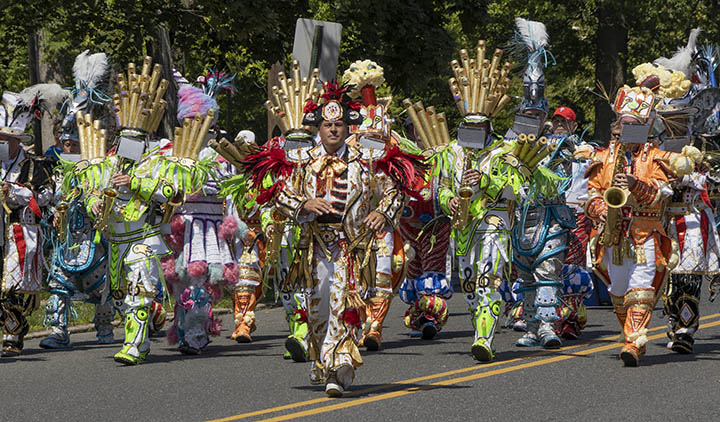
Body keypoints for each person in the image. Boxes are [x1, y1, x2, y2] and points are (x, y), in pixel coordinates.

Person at [261, 83, 420, 396]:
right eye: (327, 125)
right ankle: (325, 363)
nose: (333, 130)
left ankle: (339, 368)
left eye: (338, 125)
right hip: (315, 247)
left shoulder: (366, 161)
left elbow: (394, 191)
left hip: (353, 249)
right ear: (318, 129)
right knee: (318, 309)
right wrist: (304, 205)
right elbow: (277, 194)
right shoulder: (302, 162)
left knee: (344, 306)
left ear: (347, 127)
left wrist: (382, 214)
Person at [0, 91, 55, 356]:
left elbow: (46, 195)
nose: (3, 143)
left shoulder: (35, 165)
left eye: (7, 139)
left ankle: (12, 334)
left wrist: (17, 192)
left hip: (19, 230)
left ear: (17, 140)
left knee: (11, 286)